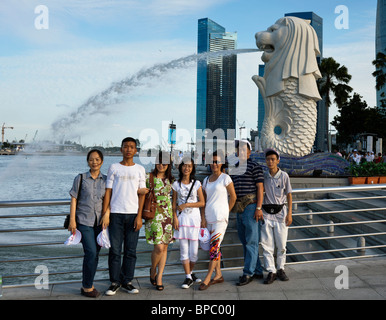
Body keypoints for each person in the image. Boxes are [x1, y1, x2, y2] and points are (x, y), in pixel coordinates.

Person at [102, 137, 146, 296]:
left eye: (131, 147)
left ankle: (127, 281)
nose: (128, 149)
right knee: (114, 250)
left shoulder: (140, 169)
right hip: (115, 214)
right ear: (121, 149)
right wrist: (106, 212)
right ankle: (114, 282)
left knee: (131, 250)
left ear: (136, 150)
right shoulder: (114, 167)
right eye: (125, 147)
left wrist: (139, 216)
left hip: (133, 214)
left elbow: (142, 194)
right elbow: (108, 192)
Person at [68, 149, 107, 298]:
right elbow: (74, 198)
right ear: (87, 161)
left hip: (100, 223)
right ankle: (87, 287)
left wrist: (107, 214)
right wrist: (72, 220)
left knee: (95, 254)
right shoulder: (81, 178)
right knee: (90, 252)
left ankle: (88, 283)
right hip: (83, 221)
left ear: (102, 161)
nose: (94, 162)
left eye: (97, 159)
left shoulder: (106, 179)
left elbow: (108, 200)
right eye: (91, 159)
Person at [199, 151, 237, 290]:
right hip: (209, 219)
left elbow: (233, 197)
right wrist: (203, 218)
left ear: (222, 163)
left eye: (217, 161)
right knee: (215, 247)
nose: (214, 164)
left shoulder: (225, 178)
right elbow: (203, 201)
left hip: (220, 219)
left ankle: (208, 277)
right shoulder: (206, 180)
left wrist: (226, 211)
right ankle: (218, 275)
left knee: (214, 248)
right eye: (212, 161)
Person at [230, 140, 264, 286]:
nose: (241, 152)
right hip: (238, 207)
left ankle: (248, 273)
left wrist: (258, 208)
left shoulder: (254, 166)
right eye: (239, 150)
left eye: (244, 149)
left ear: (249, 152)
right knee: (245, 240)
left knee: (251, 240)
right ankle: (257, 270)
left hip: (251, 206)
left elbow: (260, 188)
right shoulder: (235, 168)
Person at [172, 157, 205, 289]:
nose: (187, 168)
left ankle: (190, 274)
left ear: (192, 168)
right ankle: (188, 277)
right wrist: (174, 217)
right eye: (185, 166)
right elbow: (173, 203)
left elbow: (202, 202)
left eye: (189, 166)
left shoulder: (196, 184)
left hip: (194, 219)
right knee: (184, 250)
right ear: (180, 167)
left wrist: (186, 204)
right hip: (182, 220)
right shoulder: (176, 185)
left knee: (194, 253)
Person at [260, 149, 293, 284]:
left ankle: (280, 268)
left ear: (278, 160)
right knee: (267, 245)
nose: (270, 162)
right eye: (268, 159)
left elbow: (289, 195)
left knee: (282, 244)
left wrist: (290, 213)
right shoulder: (264, 176)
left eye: (273, 159)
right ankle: (271, 271)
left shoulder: (284, 176)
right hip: (266, 214)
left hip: (281, 214)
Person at [145, 151, 174, 291]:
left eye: (165, 163)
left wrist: (175, 215)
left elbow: (174, 199)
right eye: (159, 162)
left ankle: (160, 276)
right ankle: (152, 270)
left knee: (165, 247)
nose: (161, 165)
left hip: (168, 215)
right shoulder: (148, 177)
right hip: (154, 214)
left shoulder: (171, 180)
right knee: (159, 247)